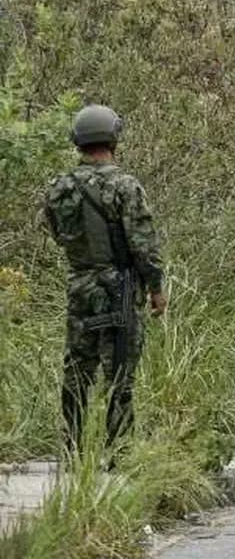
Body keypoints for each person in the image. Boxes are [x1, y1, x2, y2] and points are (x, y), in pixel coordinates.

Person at [42, 104, 166, 458]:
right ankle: (118, 453)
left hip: (80, 286)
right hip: (119, 289)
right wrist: (156, 288)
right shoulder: (125, 186)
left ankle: (73, 450)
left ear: (78, 140)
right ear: (113, 138)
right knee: (120, 374)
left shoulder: (59, 187)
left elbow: (57, 232)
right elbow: (143, 244)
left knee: (77, 370)